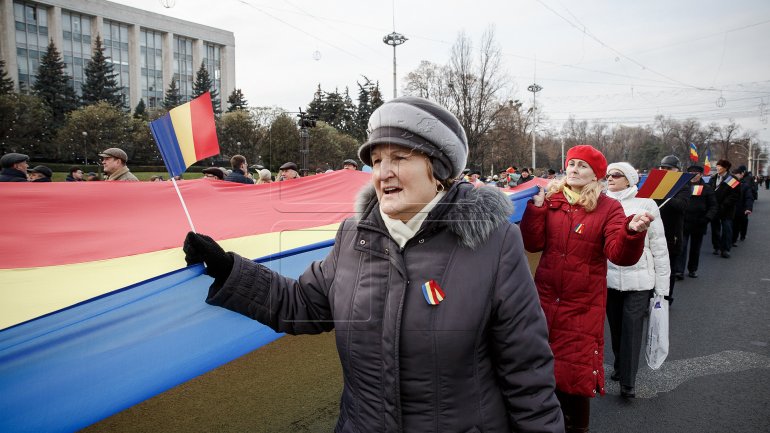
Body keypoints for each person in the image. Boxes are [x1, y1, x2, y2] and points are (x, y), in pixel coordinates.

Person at [183, 96, 564, 432]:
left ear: (439, 168)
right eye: (377, 160)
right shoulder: (354, 234)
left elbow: (526, 371)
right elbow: (301, 305)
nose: (383, 172)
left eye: (400, 157)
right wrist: (230, 270)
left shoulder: (494, 243)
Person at [521, 145, 652, 433]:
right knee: (538, 373)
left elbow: (620, 254)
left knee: (574, 377)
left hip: (582, 305)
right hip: (542, 301)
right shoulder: (551, 198)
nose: (574, 170)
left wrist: (632, 233)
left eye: (582, 166)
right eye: (571, 164)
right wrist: (537, 209)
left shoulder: (608, 207)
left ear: (596, 175)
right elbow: (533, 244)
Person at [604, 162, 669, 399]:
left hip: (640, 282)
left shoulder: (647, 204)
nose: (610, 178)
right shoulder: (602, 203)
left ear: (630, 180)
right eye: (608, 175)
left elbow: (659, 248)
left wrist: (662, 288)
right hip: (609, 279)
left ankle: (628, 382)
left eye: (616, 175)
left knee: (631, 328)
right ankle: (621, 365)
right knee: (616, 329)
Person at [654, 155, 689, 303]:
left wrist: (665, 194)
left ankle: (666, 298)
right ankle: (650, 297)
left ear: (677, 170)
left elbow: (682, 206)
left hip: (671, 234)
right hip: (653, 230)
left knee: (668, 269)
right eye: (663, 167)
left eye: (669, 168)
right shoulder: (655, 182)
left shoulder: (684, 186)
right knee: (653, 268)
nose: (665, 170)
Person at [678, 165, 717, 278]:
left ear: (701, 175)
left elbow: (713, 206)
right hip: (684, 222)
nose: (694, 176)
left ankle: (692, 269)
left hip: (699, 223)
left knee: (695, 248)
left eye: (696, 173)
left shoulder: (707, 189)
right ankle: (679, 270)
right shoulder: (682, 187)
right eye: (691, 173)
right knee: (682, 247)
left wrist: (707, 218)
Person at [708, 159, 740, 258]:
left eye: (719, 166)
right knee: (715, 228)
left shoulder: (732, 179)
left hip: (727, 209)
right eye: (717, 166)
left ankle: (725, 249)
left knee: (727, 229)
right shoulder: (713, 178)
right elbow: (709, 191)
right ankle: (716, 246)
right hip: (715, 208)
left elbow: (734, 195)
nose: (717, 168)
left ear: (725, 168)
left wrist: (723, 205)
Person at [731, 165, 754, 244]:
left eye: (737, 174)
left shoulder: (745, 185)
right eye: (733, 174)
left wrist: (748, 208)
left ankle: (741, 236)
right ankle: (732, 240)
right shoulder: (730, 183)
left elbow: (749, 197)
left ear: (741, 175)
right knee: (732, 225)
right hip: (729, 208)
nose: (735, 176)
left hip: (741, 209)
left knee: (741, 223)